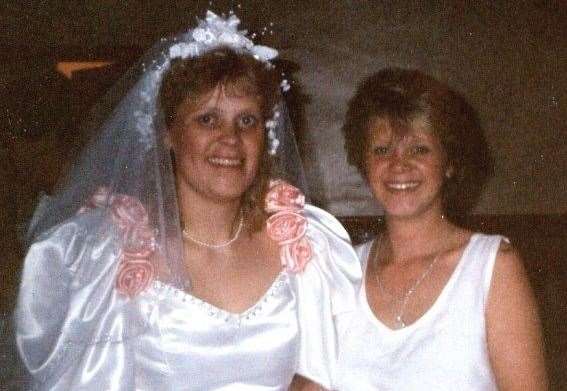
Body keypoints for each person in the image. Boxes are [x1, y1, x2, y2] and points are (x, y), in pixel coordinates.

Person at [14, 11, 360, 390]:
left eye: (246, 121)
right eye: (207, 120)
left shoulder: (303, 246)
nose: (230, 139)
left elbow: (327, 378)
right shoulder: (109, 257)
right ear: (169, 133)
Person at [333, 68, 547, 390]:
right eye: (382, 150)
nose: (398, 164)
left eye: (419, 149)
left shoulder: (492, 267)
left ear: (449, 162)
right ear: (363, 164)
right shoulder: (342, 269)